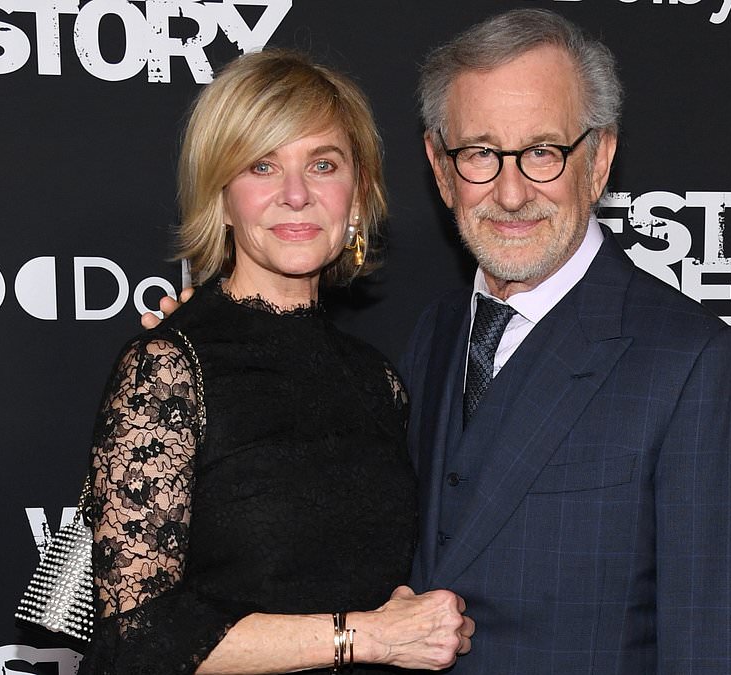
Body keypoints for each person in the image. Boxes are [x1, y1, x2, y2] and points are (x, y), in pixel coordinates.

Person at [399, 8, 731, 673]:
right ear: (440, 166)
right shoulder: (434, 335)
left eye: (543, 152)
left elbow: (721, 648)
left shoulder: (693, 364)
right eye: (480, 153)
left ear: (599, 160)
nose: (511, 193)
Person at [80, 49, 473, 675]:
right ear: (221, 195)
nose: (296, 195)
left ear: (358, 194)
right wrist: (366, 636)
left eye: (323, 165)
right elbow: (137, 639)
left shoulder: (378, 381)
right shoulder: (170, 367)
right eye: (262, 165)